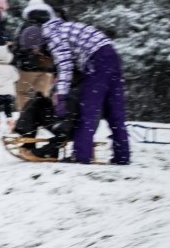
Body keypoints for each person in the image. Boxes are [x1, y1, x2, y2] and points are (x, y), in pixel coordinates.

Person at [41, 9, 131, 164]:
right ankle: (122, 155)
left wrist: (61, 96)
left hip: (97, 61)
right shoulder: (67, 27)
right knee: (115, 111)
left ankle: (81, 155)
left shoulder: (53, 36)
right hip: (113, 57)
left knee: (88, 110)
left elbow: (65, 66)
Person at [13, 0, 55, 112]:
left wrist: (15, 61)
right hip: (47, 66)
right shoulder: (52, 26)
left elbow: (18, 46)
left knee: (22, 92)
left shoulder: (26, 26)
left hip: (28, 66)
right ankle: (40, 120)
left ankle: (24, 118)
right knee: (42, 96)